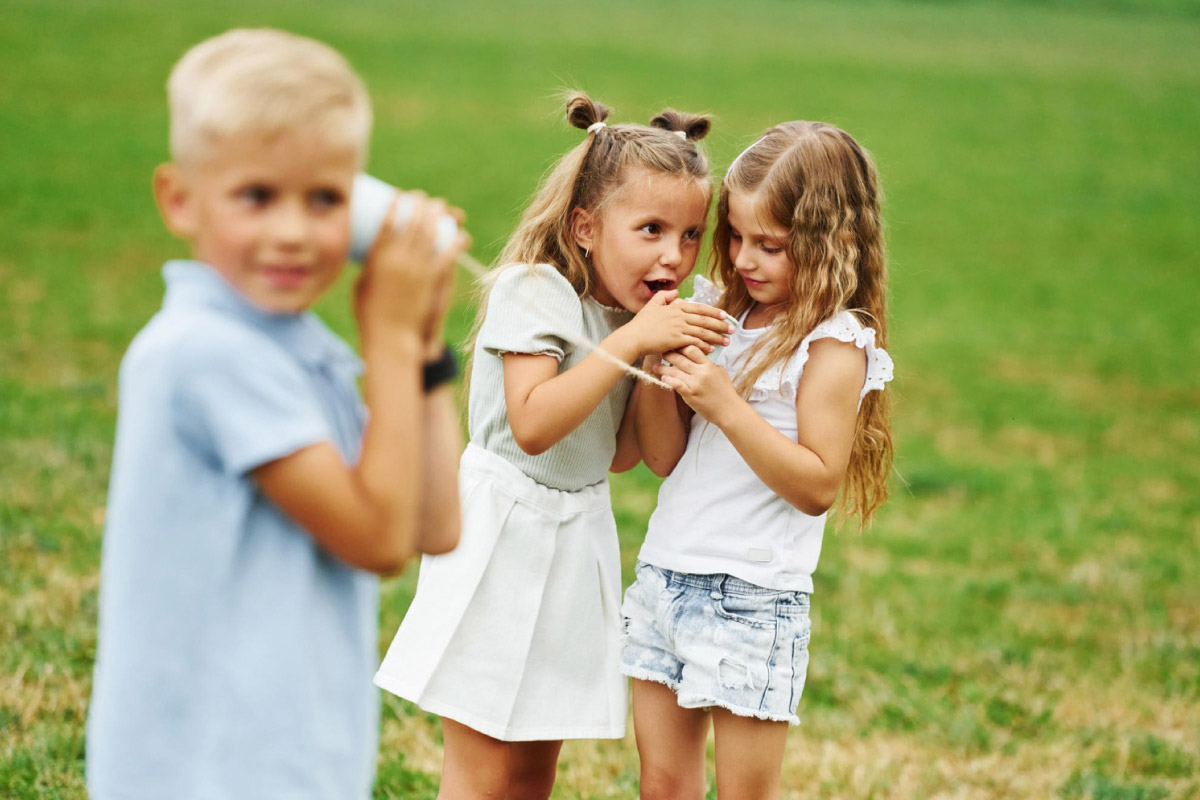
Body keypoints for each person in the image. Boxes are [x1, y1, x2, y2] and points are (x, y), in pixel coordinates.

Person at [86, 28, 468, 800]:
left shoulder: (291, 347)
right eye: (257, 196)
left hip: (295, 753)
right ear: (180, 200)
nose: (292, 231)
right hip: (208, 766)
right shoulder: (202, 353)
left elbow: (435, 524)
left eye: (325, 199)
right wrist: (389, 339)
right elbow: (378, 538)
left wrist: (422, 347)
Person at [374, 92, 735, 799]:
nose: (674, 254)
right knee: (482, 772)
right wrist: (634, 341)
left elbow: (637, 457)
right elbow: (534, 423)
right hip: (502, 534)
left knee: (534, 770)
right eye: (652, 229)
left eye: (691, 235)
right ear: (587, 226)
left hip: (577, 537)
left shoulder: (626, 316)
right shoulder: (536, 290)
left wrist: (665, 366)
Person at [623, 121, 896, 799]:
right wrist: (658, 368)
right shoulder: (718, 312)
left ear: (832, 245)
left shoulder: (833, 345)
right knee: (662, 783)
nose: (744, 259)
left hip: (752, 596)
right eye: (736, 236)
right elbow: (663, 457)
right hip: (666, 573)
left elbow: (817, 484)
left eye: (770, 246)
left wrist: (724, 405)